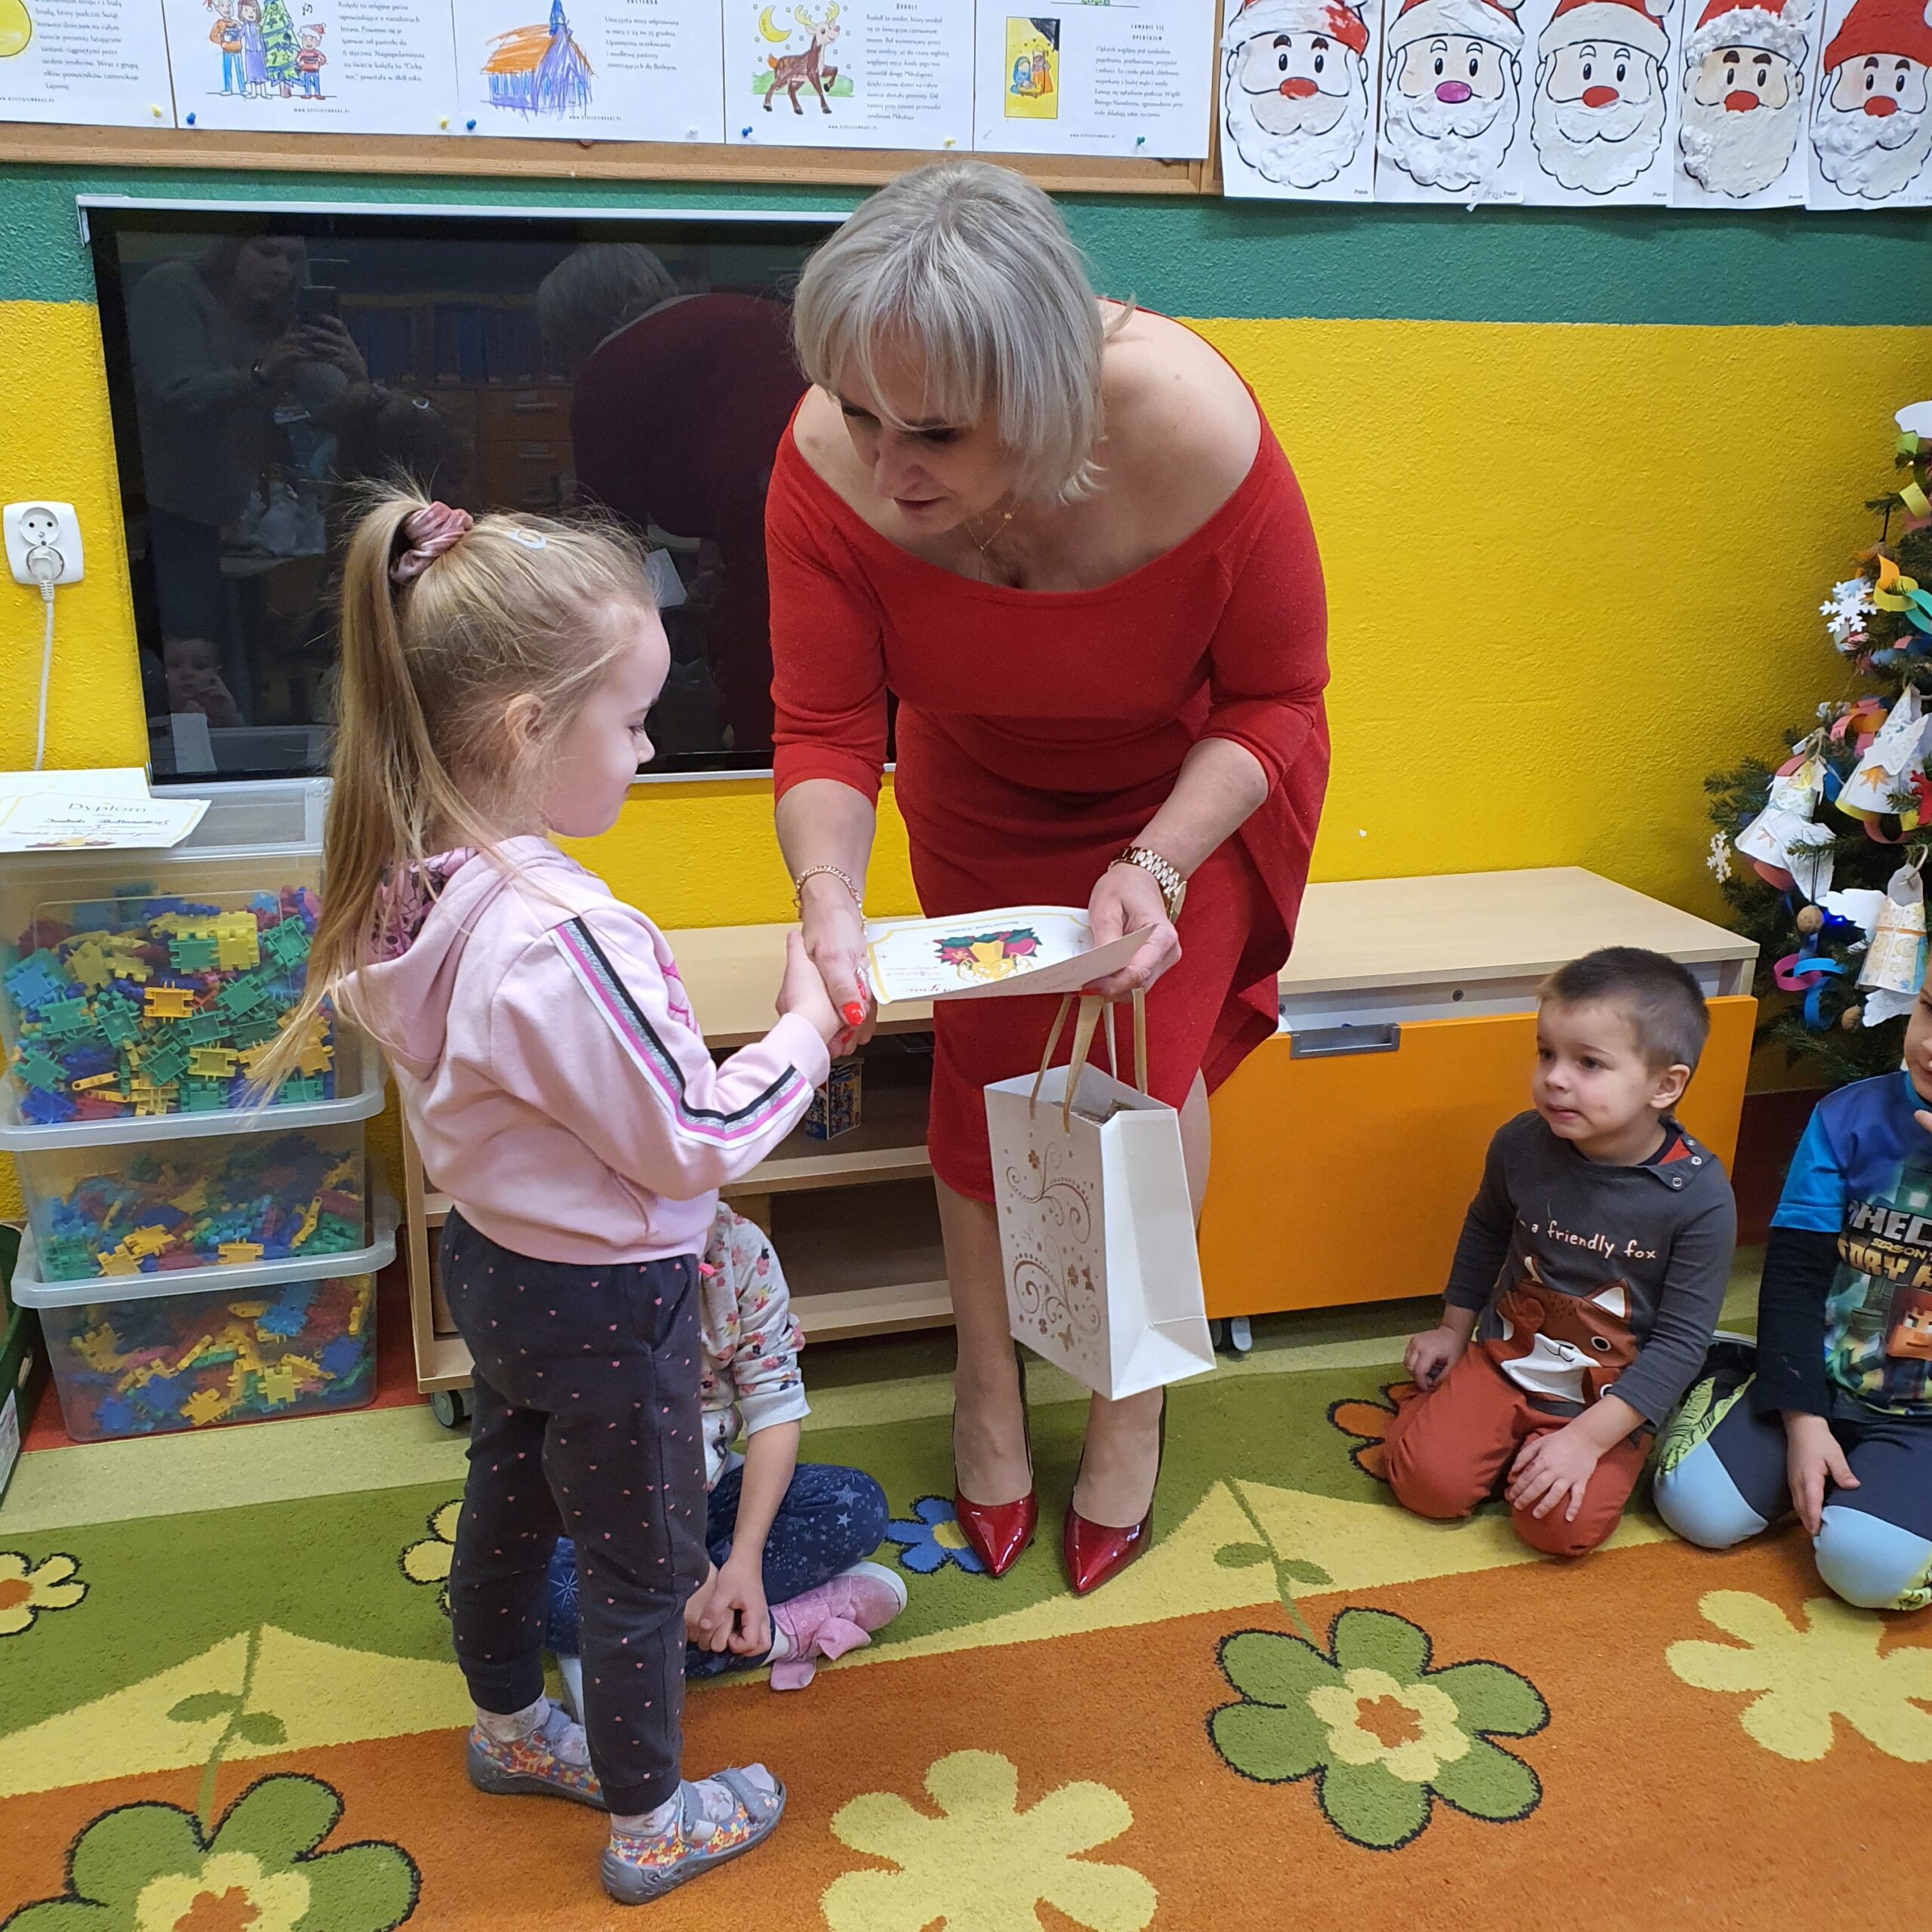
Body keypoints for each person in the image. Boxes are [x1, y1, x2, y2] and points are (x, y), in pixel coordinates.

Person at [255, 488, 845, 1906]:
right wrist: (809, 1033)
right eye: (632, 722)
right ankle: (653, 1819)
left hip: (497, 1268)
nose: (648, 749)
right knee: (642, 1568)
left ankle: (513, 1727)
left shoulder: (410, 880)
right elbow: (693, 1138)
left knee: (509, 1505)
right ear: (527, 728)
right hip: (609, 1298)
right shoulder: (567, 933)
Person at [769, 161, 1331, 1597]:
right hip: (978, 792)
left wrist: (1157, 860)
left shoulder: (1194, 426)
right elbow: (826, 726)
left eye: (936, 434)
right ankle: (988, 1387)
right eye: (858, 413)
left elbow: (1278, 697)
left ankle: (1129, 1401)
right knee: (985, 1066)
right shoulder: (825, 463)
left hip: (1183, 799)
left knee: (1142, 1070)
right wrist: (828, 900)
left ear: (1046, 395)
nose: (886, 466)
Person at [1383, 948, 1737, 1557]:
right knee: (1426, 1487)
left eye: (1588, 1063)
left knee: (1558, 1530)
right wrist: (1451, 1330)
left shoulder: (1699, 1196)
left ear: (1665, 1085)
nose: (1554, 1077)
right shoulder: (1521, 1143)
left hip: (1609, 1396)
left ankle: (1543, 1451)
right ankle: (1488, 1437)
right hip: (1504, 1361)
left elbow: (1682, 1343)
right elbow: (1485, 1229)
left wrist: (1588, 1441)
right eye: (1547, 1053)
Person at [1654, 958, 1932, 1611]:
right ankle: (1734, 1374)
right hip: (1821, 1376)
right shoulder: (1847, 1118)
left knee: (1868, 1572)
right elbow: (1794, 1276)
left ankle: (1878, 1498)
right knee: (1698, 1508)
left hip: (1923, 1420)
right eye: (1929, 1008)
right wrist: (1803, 1420)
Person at [546, 1202, 903, 1703]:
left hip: (707, 1493)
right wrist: (680, 1567)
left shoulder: (738, 1247)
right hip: (602, 1515)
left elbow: (776, 1407)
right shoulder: (568, 1261)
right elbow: (583, 1444)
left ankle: (632, 1653)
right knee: (506, 1595)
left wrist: (744, 1560)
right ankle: (784, 1630)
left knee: (855, 1505)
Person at [536, 244, 809, 752]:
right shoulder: (751, 311)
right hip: (840, 493)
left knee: (772, 702)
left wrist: (659, 620)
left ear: (576, 329)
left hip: (769, 521)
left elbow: (610, 546)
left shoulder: (611, 367)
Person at [125, 232, 365, 721]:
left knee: (250, 665)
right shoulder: (174, 289)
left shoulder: (280, 314)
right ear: (232, 250)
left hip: (252, 524)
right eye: (267, 252)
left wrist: (356, 374)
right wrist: (260, 375)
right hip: (176, 513)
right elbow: (176, 398)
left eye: (293, 257)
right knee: (190, 672)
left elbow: (339, 412)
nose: (282, 269)